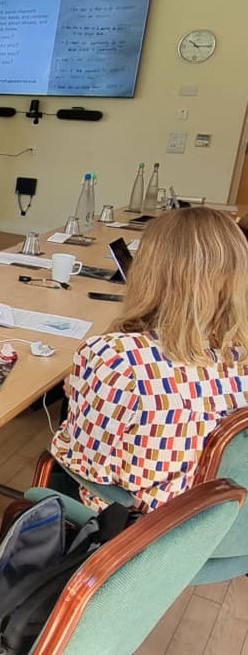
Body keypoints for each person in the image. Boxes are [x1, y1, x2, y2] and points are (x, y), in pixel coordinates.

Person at [51, 207, 248, 512]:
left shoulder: (118, 359)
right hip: (221, 525)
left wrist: (85, 397)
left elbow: (85, 464)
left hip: (133, 527)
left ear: (147, 272)